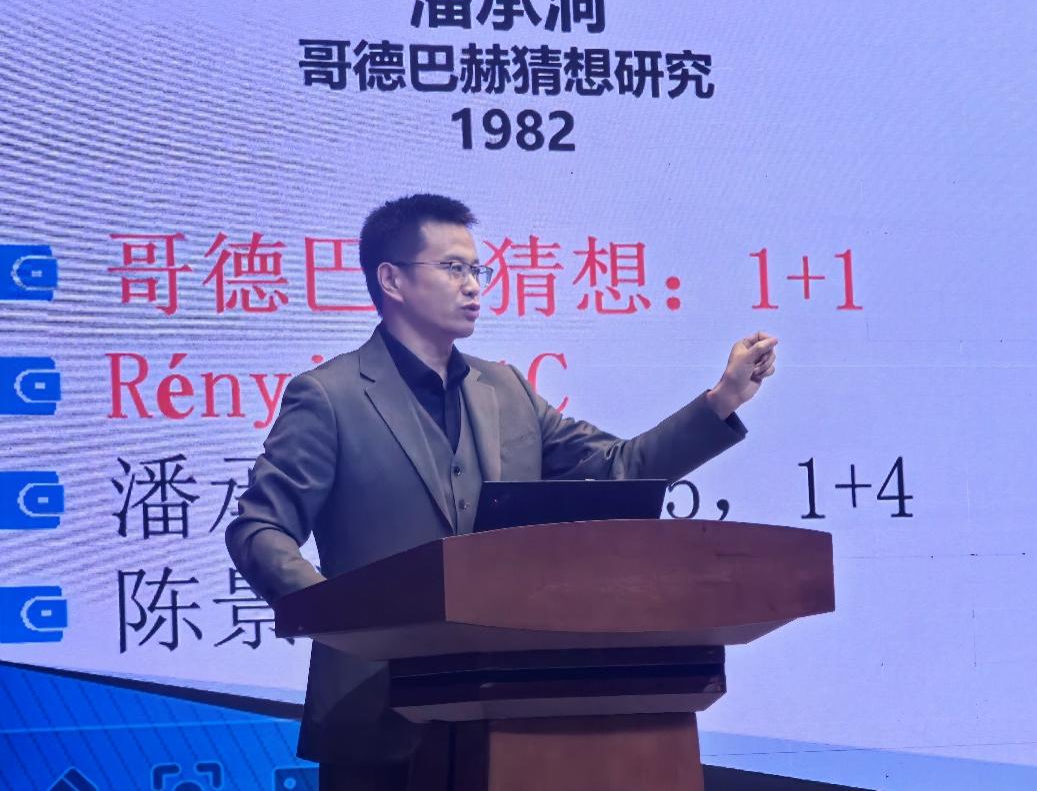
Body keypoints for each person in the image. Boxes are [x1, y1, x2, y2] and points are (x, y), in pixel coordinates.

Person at [225, 194, 779, 791]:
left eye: (477, 269)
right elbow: (259, 527)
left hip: (512, 710)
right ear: (392, 280)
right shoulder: (329, 395)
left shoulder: (506, 390)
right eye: (453, 268)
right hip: (376, 710)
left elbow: (618, 468)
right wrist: (337, 615)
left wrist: (722, 400)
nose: (473, 285)